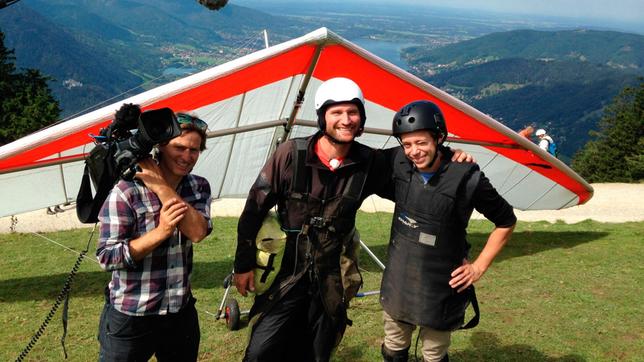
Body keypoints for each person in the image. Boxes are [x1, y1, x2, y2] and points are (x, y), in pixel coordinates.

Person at [233, 78, 472, 362]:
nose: (346, 120)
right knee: (260, 350)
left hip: (331, 275)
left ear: (361, 118)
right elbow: (254, 208)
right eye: (337, 112)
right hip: (287, 274)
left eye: (352, 112)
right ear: (323, 117)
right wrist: (243, 264)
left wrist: (448, 156)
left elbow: (419, 155)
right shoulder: (291, 155)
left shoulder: (369, 162)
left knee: (317, 352)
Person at [379, 100, 517, 362]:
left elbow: (506, 220)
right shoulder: (398, 162)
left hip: (441, 285)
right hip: (400, 281)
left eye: (422, 143)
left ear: (439, 138)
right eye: (407, 144)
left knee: (433, 355)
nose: (414, 152)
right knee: (394, 348)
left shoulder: (466, 177)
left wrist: (478, 267)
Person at [96, 112, 212, 362]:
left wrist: (161, 187)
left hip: (179, 312)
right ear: (160, 146)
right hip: (131, 315)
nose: (186, 156)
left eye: (194, 150)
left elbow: (198, 232)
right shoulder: (126, 190)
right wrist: (160, 233)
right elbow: (107, 257)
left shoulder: (198, 186)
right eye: (179, 147)